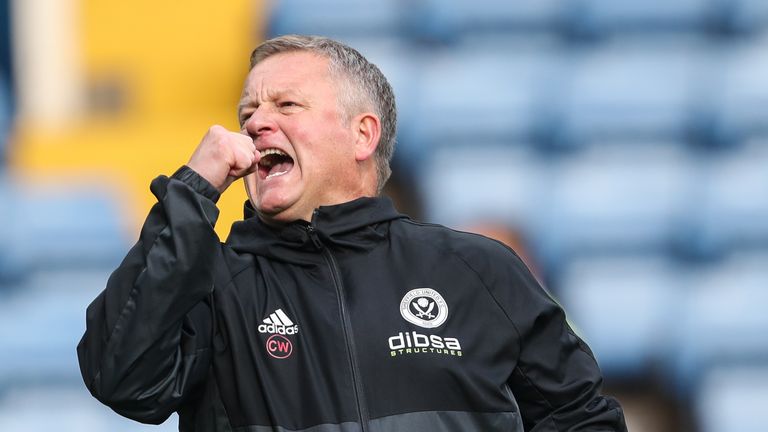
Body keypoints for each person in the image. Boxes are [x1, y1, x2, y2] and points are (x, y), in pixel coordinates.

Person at [77, 35, 627, 432]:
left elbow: (580, 417)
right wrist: (193, 188)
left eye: (286, 105)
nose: (255, 123)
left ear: (363, 134)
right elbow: (122, 379)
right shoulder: (214, 284)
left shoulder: (476, 269)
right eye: (248, 112)